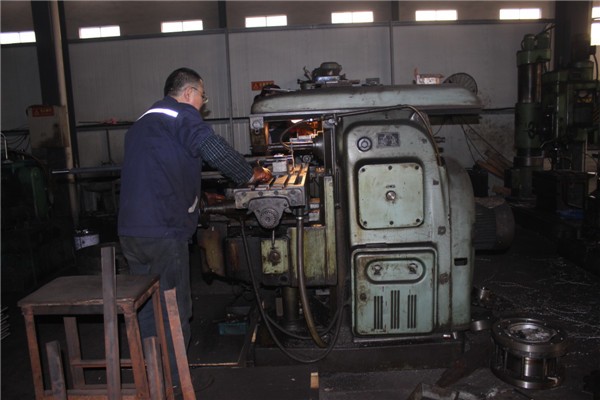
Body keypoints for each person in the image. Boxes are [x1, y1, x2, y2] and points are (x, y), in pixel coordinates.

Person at [118, 67, 272, 385]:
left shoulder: (143, 122)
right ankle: (176, 383)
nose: (203, 104)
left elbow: (159, 171)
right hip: (163, 231)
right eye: (203, 96)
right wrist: (248, 174)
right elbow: (212, 148)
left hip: (131, 232)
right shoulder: (180, 115)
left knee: (146, 306)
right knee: (174, 307)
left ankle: (153, 378)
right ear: (189, 93)